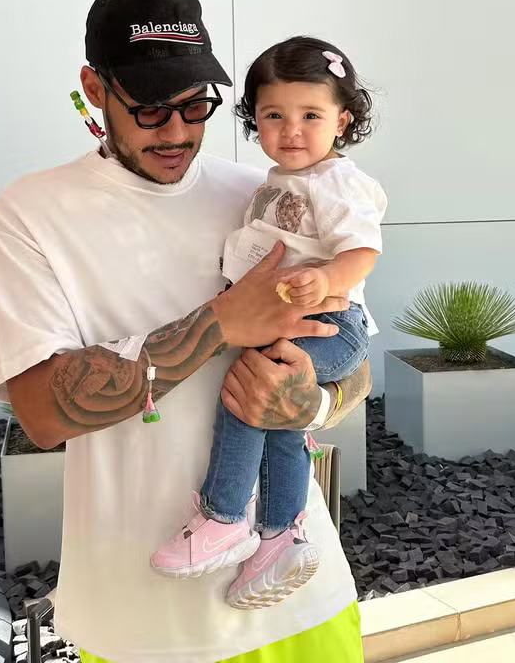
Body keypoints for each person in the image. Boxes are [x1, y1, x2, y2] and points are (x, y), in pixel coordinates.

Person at [0, 0, 371, 662]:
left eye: (196, 106)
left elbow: (352, 348)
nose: (177, 130)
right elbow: (41, 413)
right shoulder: (31, 213)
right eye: (151, 108)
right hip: (143, 623)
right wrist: (220, 323)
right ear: (94, 88)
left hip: (303, 603)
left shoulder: (265, 194)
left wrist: (312, 403)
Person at [151, 37, 387, 612]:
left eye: (311, 116)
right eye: (273, 115)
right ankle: (281, 534)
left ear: (343, 120)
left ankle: (224, 515)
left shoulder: (338, 182)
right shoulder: (274, 182)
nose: (291, 130)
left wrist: (325, 278)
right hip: (298, 318)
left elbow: (364, 251)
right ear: (254, 119)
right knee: (279, 418)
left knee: (248, 398)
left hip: (329, 320)